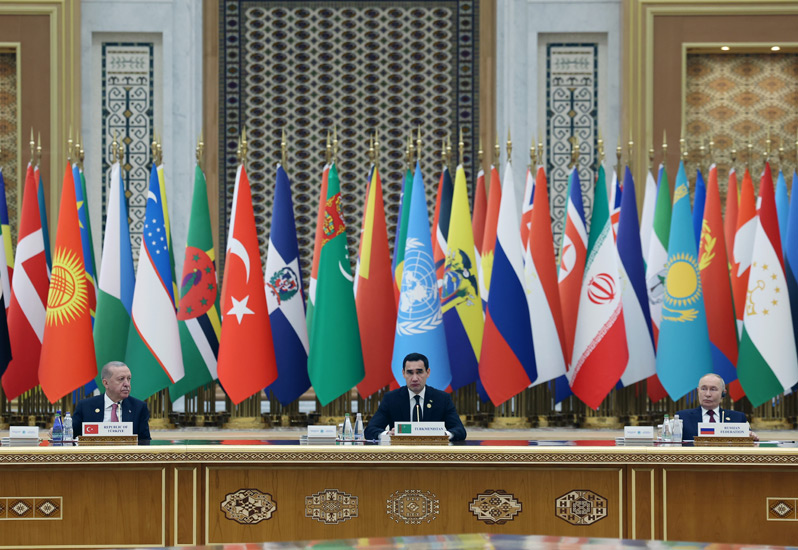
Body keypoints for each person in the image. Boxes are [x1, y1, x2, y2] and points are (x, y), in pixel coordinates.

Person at [364, 352, 466, 441]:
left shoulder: (442, 399)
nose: (415, 378)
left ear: (428, 373)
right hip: (401, 454)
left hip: (432, 453)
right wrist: (388, 434)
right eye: (410, 373)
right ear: (403, 373)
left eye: (419, 372)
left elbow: (460, 431)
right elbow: (370, 430)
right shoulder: (391, 398)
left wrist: (443, 435)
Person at [72, 361, 151, 442]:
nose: (127, 384)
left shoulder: (139, 407)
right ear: (106, 383)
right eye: (121, 379)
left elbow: (145, 441)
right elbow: (72, 438)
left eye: (128, 379)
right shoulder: (85, 406)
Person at [676, 373, 757, 441]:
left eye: (713, 389)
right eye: (703, 389)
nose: (707, 394)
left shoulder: (738, 418)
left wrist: (752, 437)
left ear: (723, 393)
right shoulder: (683, 417)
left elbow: (748, 445)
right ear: (698, 391)